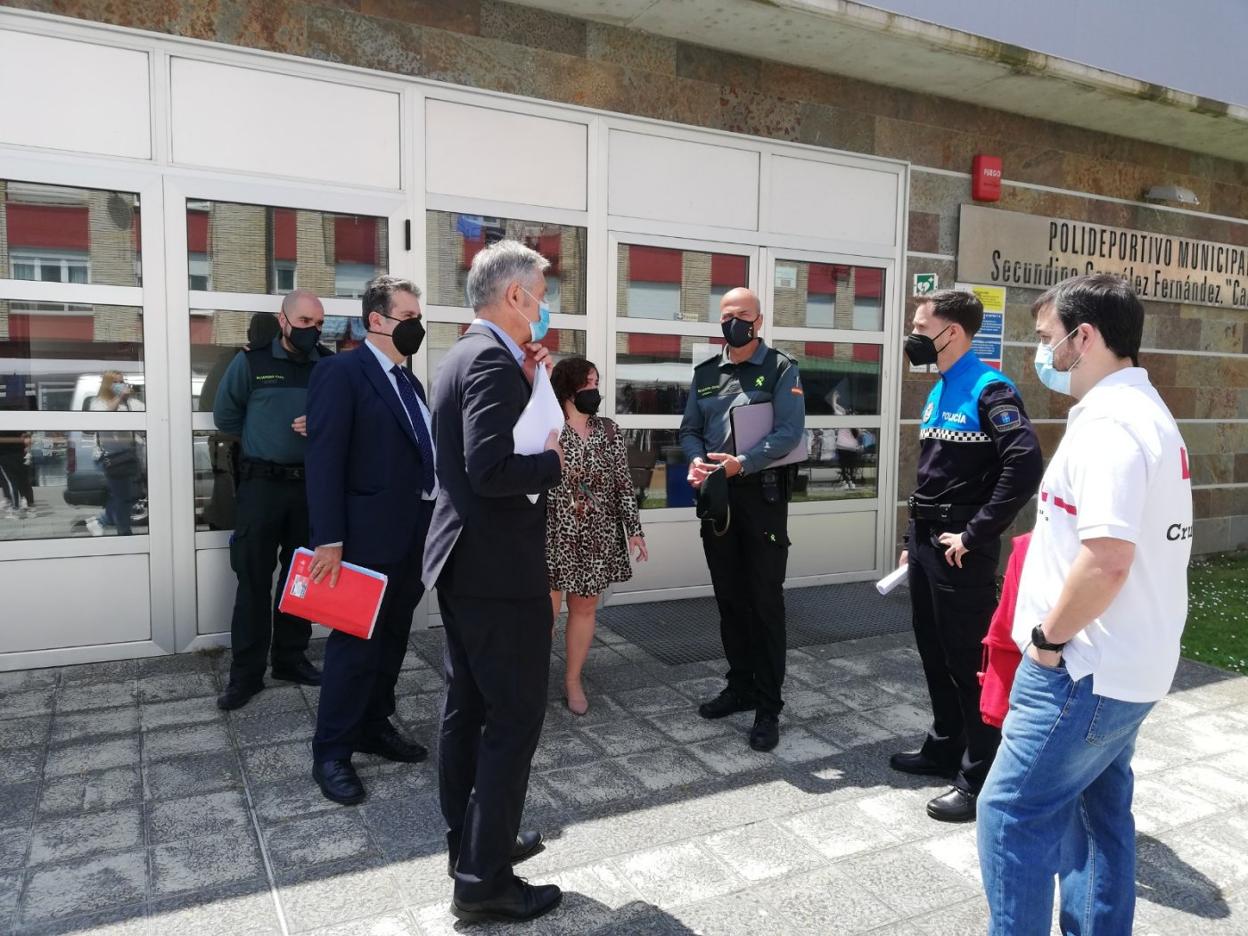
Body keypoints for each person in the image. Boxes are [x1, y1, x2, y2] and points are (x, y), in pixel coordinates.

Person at [978, 274, 1193, 936]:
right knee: (1098, 817)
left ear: (1085, 337)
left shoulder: (1112, 427)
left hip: (1080, 671)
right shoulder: (1144, 414)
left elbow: (1107, 562)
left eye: (1047, 339)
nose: (1041, 354)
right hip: (1126, 666)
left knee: (1010, 814)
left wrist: (1045, 641)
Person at [424, 239, 565, 924]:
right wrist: (556, 463)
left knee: (470, 712)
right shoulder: (487, 361)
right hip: (496, 571)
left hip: (469, 564)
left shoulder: (472, 355)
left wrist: (533, 377)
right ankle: (485, 881)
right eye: (541, 292)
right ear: (515, 296)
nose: (545, 305)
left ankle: (475, 846)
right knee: (512, 720)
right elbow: (490, 470)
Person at [891, 289, 1042, 823]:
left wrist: (975, 534)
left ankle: (979, 776)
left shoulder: (990, 388)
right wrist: (913, 542)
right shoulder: (940, 387)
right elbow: (935, 472)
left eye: (919, 324)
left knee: (969, 664)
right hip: (930, 543)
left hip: (962, 552)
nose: (912, 334)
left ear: (950, 332)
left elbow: (1023, 467)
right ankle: (943, 747)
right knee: (934, 651)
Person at [305, 275, 436, 805]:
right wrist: (329, 539)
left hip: (412, 536)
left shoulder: (411, 382)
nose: (417, 326)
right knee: (354, 646)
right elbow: (324, 459)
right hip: (361, 542)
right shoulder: (341, 373)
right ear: (376, 321)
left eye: (418, 316)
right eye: (408, 316)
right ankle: (331, 752)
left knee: (393, 639)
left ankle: (373, 724)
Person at [679, 287, 805, 753]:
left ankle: (768, 705)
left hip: (762, 496)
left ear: (759, 321)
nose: (734, 322)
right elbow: (690, 429)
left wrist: (741, 463)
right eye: (727, 315)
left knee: (764, 603)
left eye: (743, 315)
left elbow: (790, 433)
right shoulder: (707, 373)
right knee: (730, 599)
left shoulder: (780, 369)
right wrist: (698, 462)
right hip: (718, 496)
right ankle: (741, 686)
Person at [212, 290, 327, 710]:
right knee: (254, 580)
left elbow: (346, 418)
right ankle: (246, 675)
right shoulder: (252, 362)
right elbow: (226, 417)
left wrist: (322, 424)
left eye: (318, 323)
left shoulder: (329, 366)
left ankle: (290, 659)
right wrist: (267, 431)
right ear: (283, 320)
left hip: (311, 488)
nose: (312, 330)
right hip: (261, 486)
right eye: (304, 322)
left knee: (301, 579)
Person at [547, 357, 647, 715]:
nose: (594, 390)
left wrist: (633, 531)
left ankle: (572, 679)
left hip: (596, 534)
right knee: (544, 612)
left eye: (596, 382)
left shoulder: (608, 430)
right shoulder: (548, 425)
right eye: (587, 383)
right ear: (567, 386)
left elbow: (623, 483)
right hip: (553, 531)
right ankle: (528, 679)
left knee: (584, 607)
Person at [88, 370, 146, 537]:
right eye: (117, 382)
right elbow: (103, 420)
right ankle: (120, 530)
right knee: (122, 497)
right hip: (110, 457)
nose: (122, 385)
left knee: (129, 497)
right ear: (108, 385)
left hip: (129, 457)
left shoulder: (132, 403)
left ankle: (106, 523)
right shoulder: (99, 403)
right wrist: (119, 398)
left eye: (123, 381)